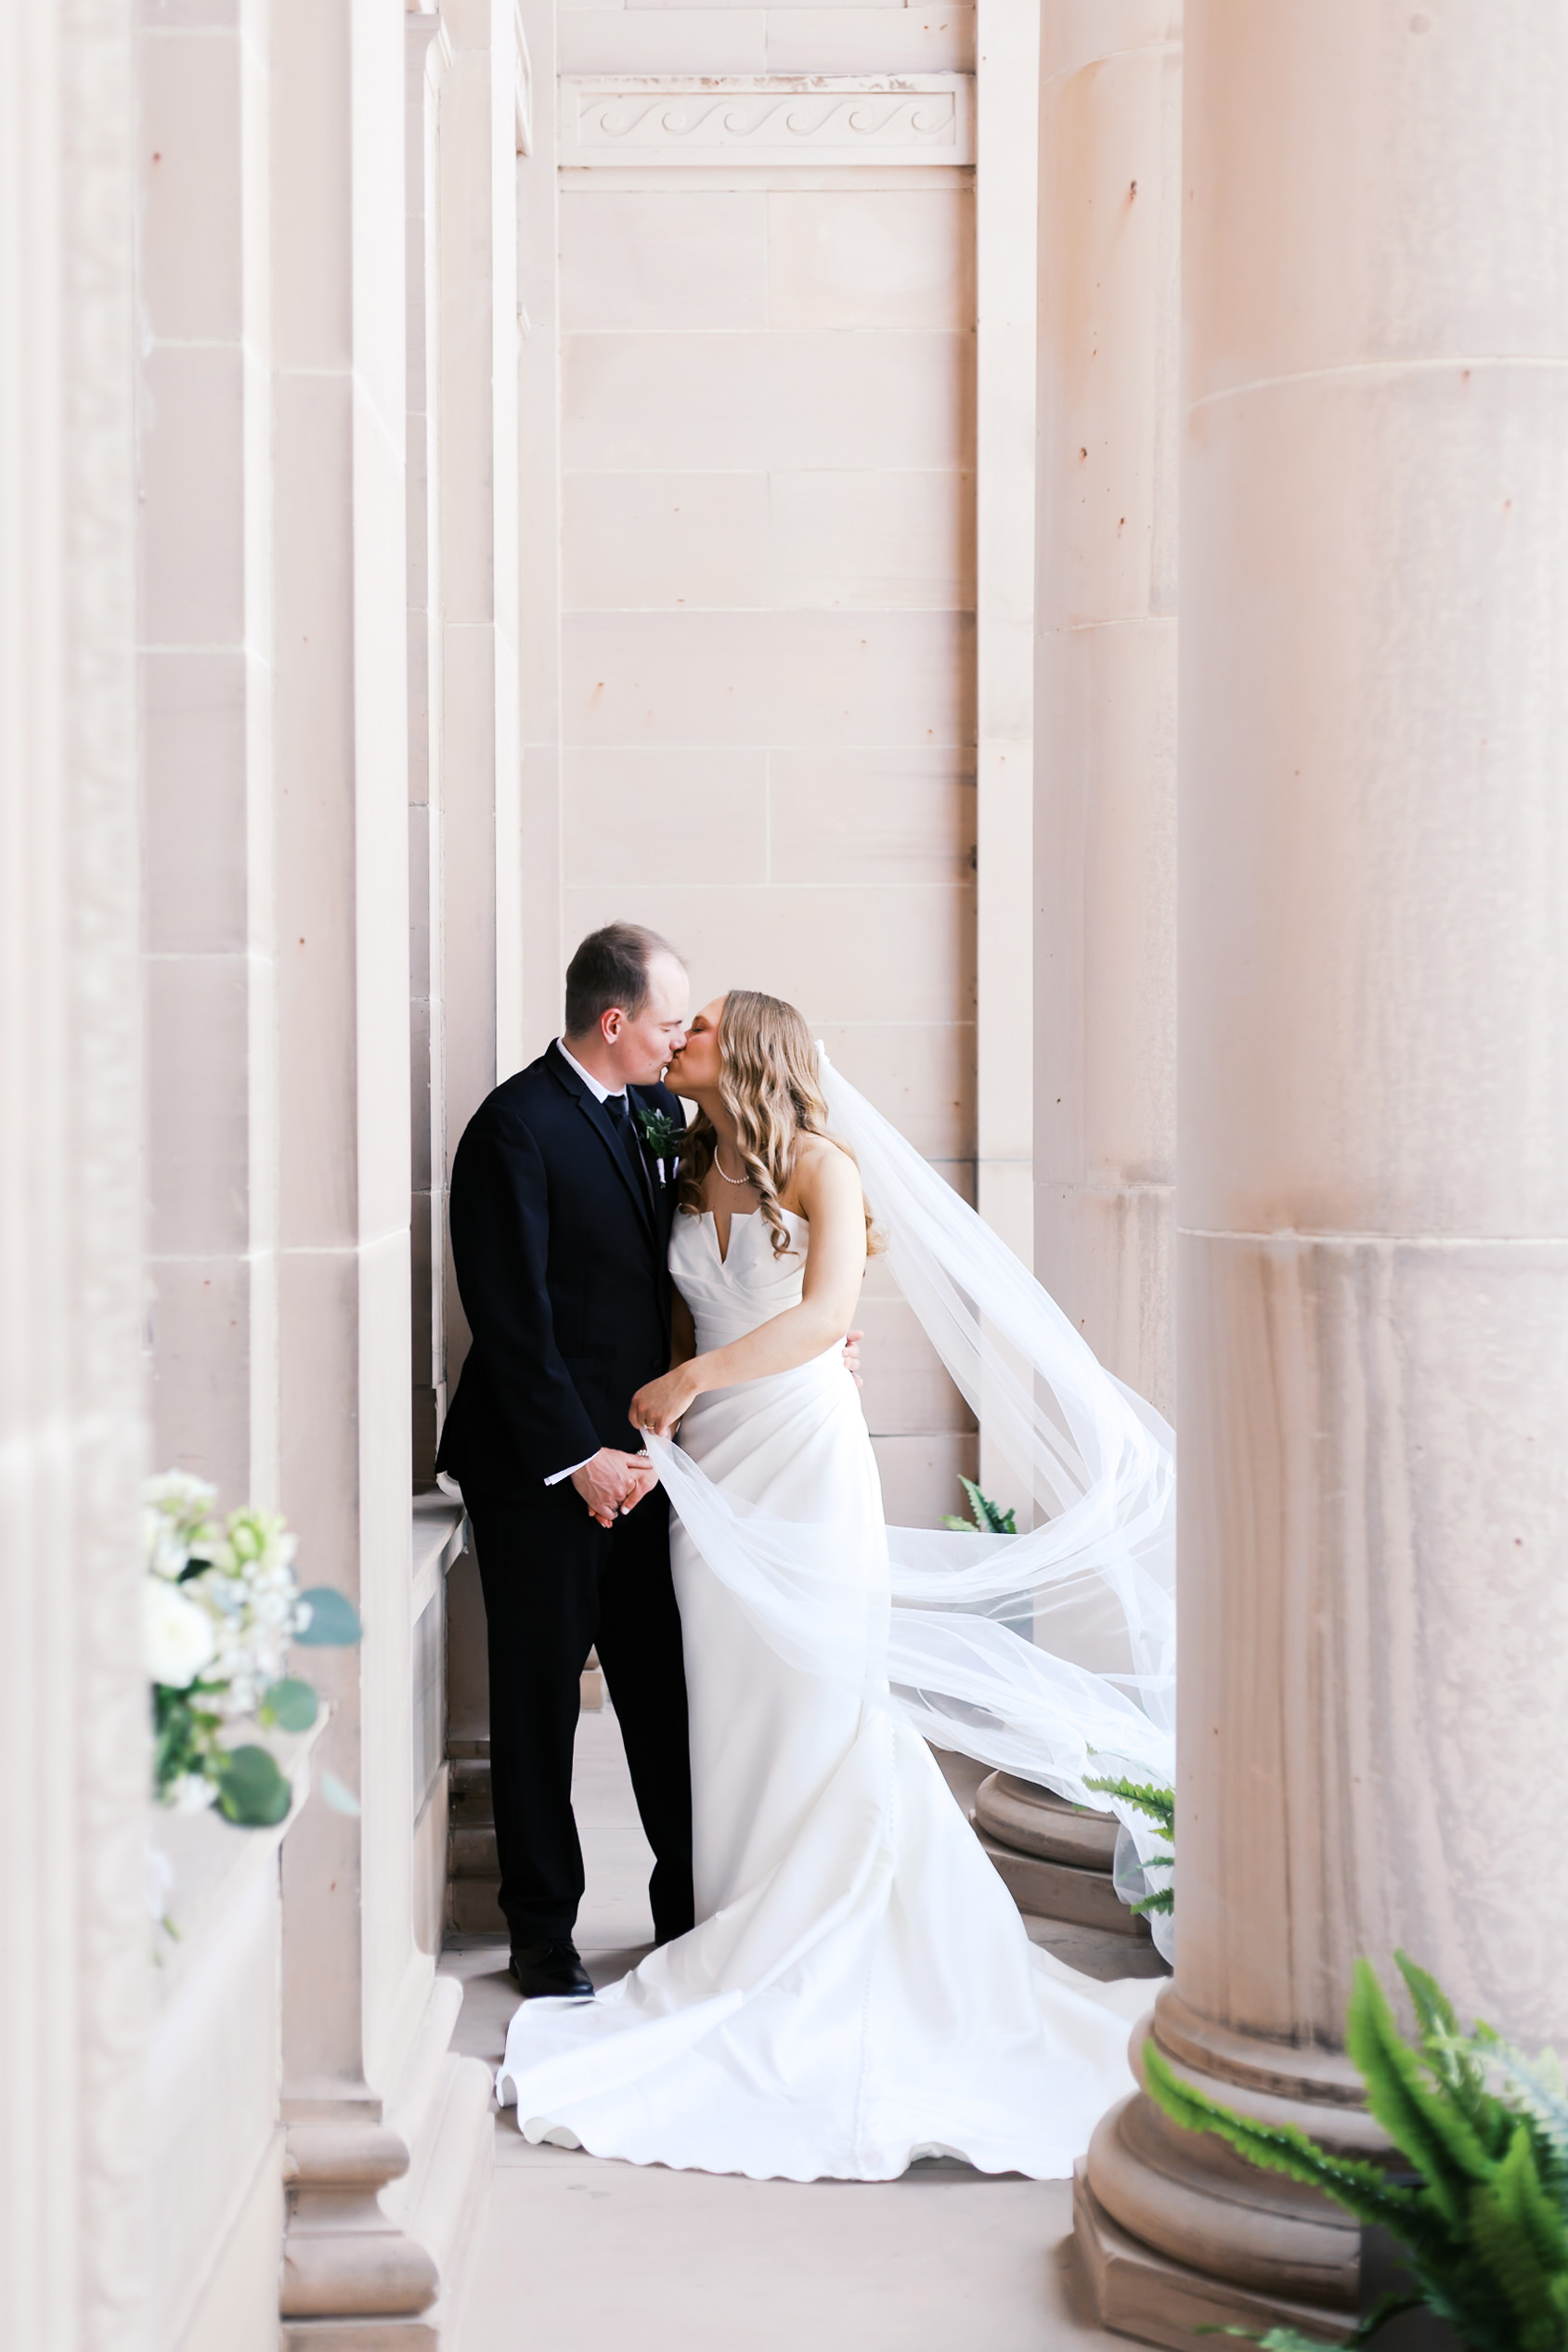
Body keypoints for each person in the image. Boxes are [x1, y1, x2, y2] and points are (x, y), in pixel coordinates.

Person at [496, 990, 1172, 2182]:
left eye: (697, 1025)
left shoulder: (823, 1165)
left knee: (819, 1695)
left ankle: (823, 1932)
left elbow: (828, 1314)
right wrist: (662, 1393)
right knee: (735, 1701)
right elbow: (648, 1296)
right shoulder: (688, 1153)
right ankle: (741, 1918)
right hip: (714, 1476)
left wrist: (692, 1377)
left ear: (745, 1045)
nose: (676, 1035)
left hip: (801, 1455)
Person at [436, 923, 696, 1996]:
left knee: (662, 1691)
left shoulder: (660, 1114)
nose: (681, 1042)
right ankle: (543, 1936)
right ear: (615, 1020)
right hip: (540, 1475)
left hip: (642, 1467)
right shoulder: (513, 1128)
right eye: (670, 1023)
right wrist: (577, 1457)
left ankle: (688, 1909)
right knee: (538, 1702)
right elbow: (510, 1321)